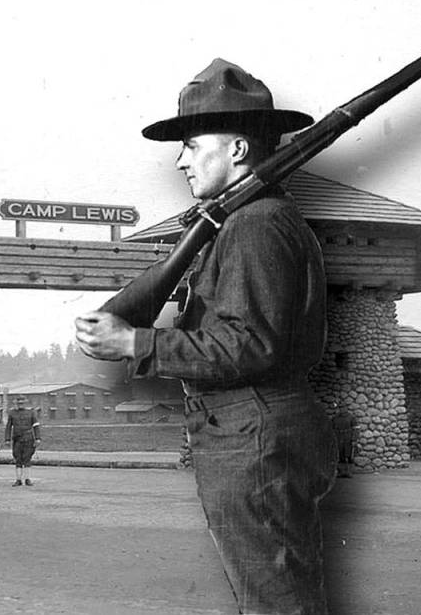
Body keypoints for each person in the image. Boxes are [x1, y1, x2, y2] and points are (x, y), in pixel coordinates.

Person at [74, 58, 337, 614]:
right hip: (248, 429)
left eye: (193, 146)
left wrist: (136, 344)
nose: (180, 161)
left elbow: (248, 344)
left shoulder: (256, 224)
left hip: (253, 431)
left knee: (276, 602)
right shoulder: (241, 222)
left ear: (238, 150)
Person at [4, 396, 40, 486]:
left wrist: (38, 438)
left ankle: (27, 479)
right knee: (18, 458)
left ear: (25, 403)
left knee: (27, 459)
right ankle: (18, 479)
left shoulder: (31, 412)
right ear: (16, 403)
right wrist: (7, 439)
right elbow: (8, 426)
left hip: (28, 439)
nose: (20, 405)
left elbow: (36, 426)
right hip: (17, 439)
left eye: (22, 403)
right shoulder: (12, 413)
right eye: (18, 403)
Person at [331, 407, 357, 478]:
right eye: (340, 408)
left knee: (349, 456)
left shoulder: (351, 417)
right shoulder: (335, 418)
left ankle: (349, 472)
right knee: (340, 455)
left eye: (343, 408)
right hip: (338, 438)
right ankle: (341, 472)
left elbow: (355, 429)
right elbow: (331, 429)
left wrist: (354, 439)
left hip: (348, 438)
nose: (342, 409)